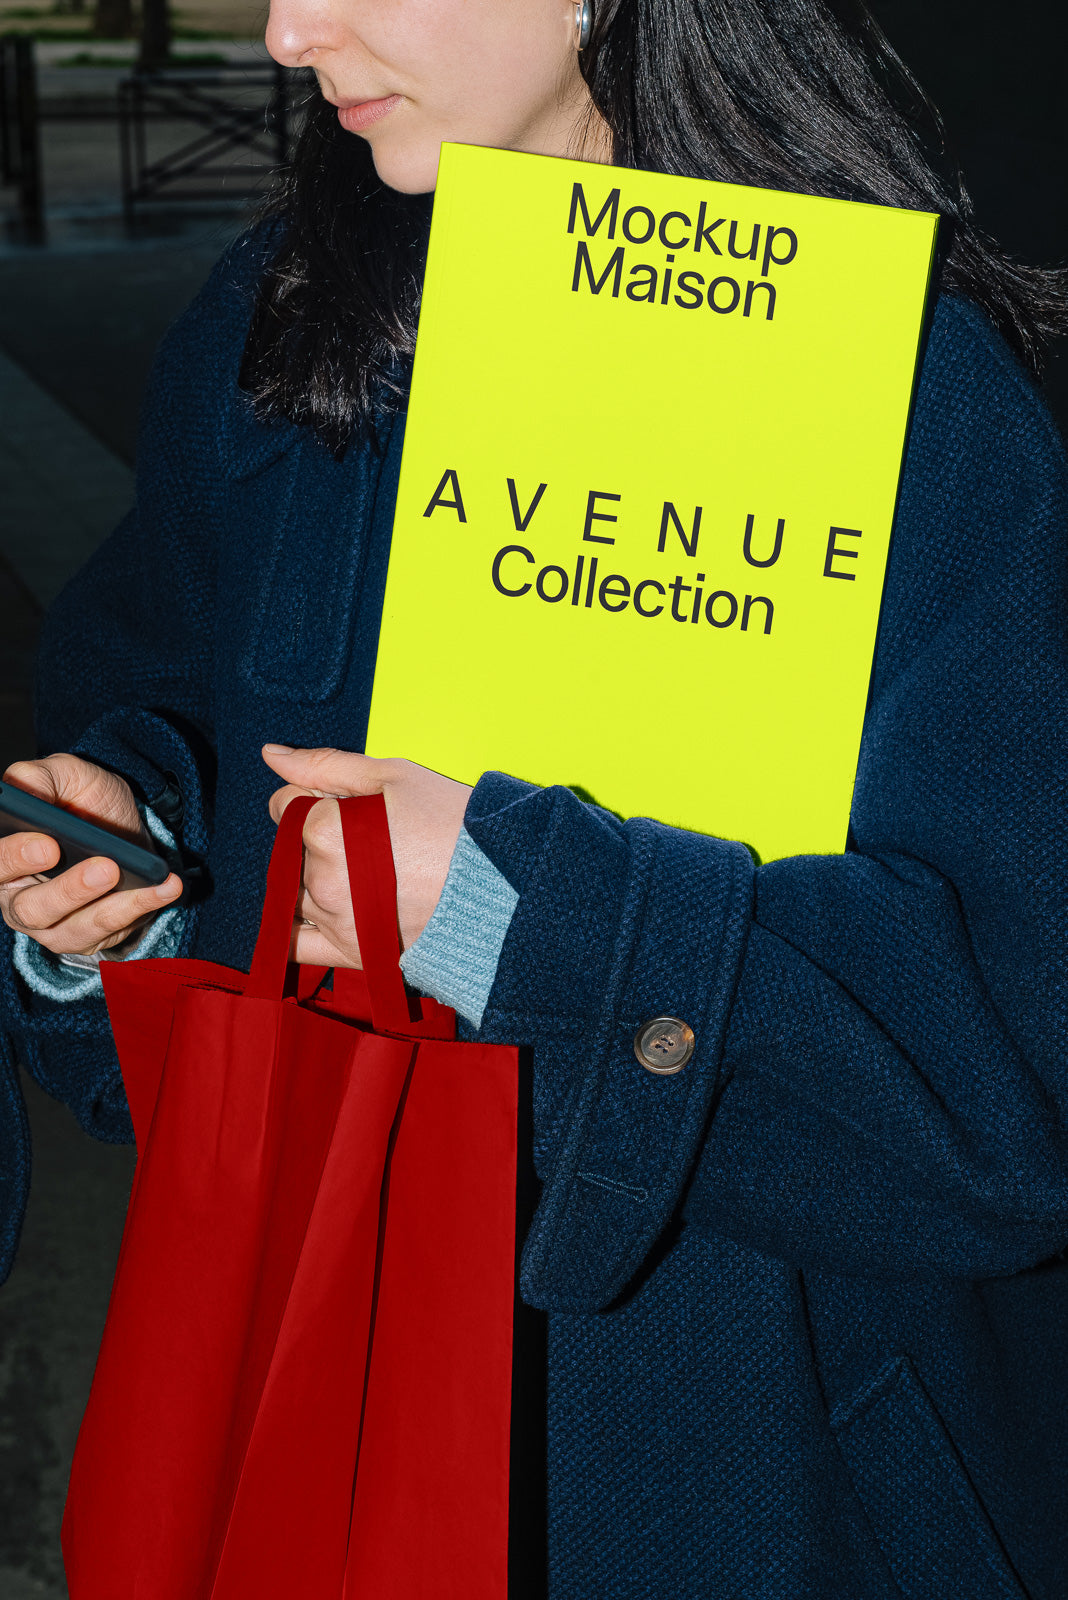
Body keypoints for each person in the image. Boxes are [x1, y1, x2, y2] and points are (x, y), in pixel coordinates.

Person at [2, 0, 1067, 1593]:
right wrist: (116, 895)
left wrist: (533, 920)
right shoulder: (276, 327)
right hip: (319, 1425)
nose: (288, 33)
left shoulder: (912, 392)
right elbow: (160, 723)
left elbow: (1007, 1098)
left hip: (757, 1485)